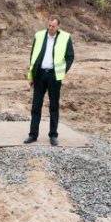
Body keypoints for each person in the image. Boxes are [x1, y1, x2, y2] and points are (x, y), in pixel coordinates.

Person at [24, 16, 74, 146]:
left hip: (54, 76)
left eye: (53, 26)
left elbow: (70, 57)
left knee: (53, 106)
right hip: (39, 75)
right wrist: (30, 76)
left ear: (58, 26)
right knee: (36, 106)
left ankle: (53, 135)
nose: (50, 28)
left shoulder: (65, 37)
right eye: (49, 25)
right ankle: (33, 135)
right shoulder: (39, 35)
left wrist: (62, 71)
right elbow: (32, 56)